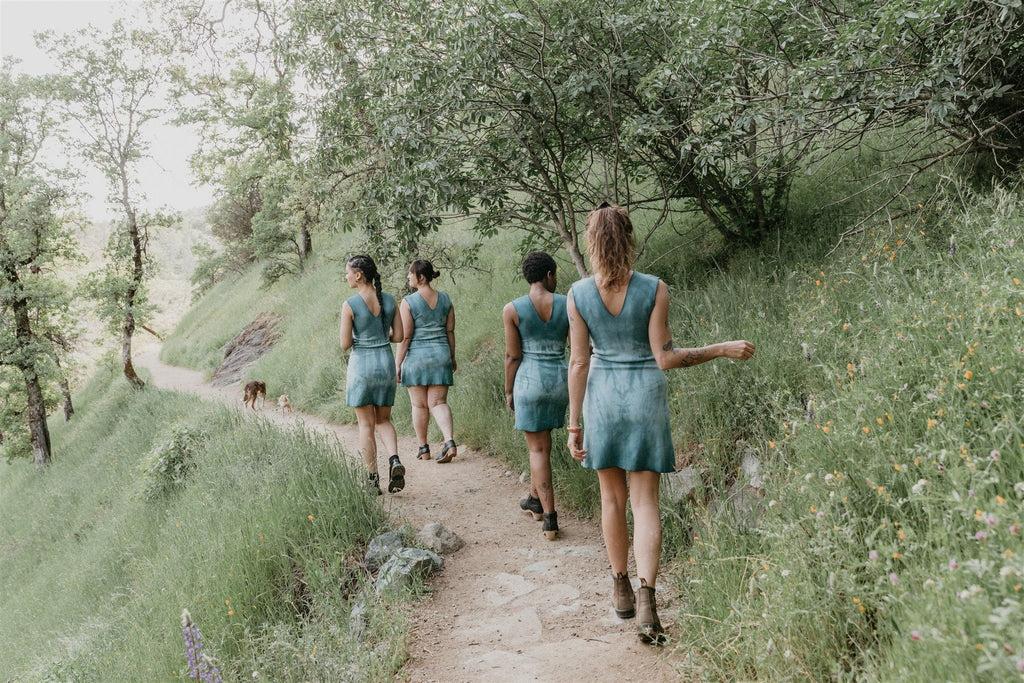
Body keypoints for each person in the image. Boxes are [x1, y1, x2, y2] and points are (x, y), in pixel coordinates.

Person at [566, 203, 755, 645]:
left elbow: (578, 361)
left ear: (591, 242)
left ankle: (621, 589)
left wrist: (573, 424)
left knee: (611, 500)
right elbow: (665, 358)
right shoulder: (654, 288)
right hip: (646, 398)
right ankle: (648, 603)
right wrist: (720, 348)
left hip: (603, 402)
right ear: (629, 237)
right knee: (644, 502)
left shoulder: (576, 294)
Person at [503, 252, 569, 541]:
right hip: (560, 381)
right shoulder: (569, 303)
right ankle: (533, 499)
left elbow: (512, 356)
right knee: (545, 445)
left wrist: (508, 390)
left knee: (537, 450)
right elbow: (579, 348)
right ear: (550, 275)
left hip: (529, 382)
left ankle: (550, 518)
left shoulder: (512, 309)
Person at [339, 254, 405, 495]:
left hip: (362, 367)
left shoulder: (350, 304)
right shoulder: (389, 300)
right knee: (384, 420)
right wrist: (379, 338)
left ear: (358, 275)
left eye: (348, 272)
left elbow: (345, 344)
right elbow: (398, 337)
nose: (346, 276)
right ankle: (395, 459)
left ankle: (372, 480)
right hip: (385, 364)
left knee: (366, 425)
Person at [395, 259, 458, 463]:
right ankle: (449, 441)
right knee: (438, 402)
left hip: (416, 359)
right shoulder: (446, 299)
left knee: (419, 405)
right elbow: (450, 331)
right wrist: (452, 356)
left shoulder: (408, 302)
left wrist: (397, 364)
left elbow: (405, 337)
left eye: (410, 274)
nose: (408, 277)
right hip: (441, 355)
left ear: (420, 277)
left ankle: (424, 448)